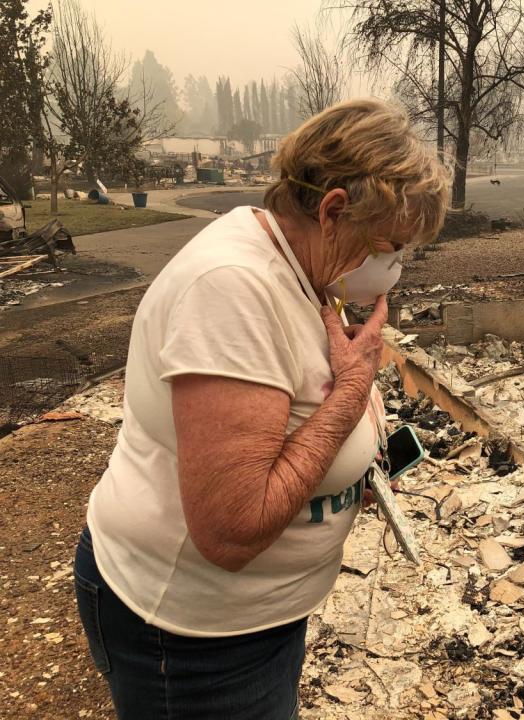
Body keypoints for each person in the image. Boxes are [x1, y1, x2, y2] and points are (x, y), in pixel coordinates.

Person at [73, 98, 450, 719]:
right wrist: (352, 395)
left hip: (253, 622)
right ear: (332, 210)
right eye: (391, 246)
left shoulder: (297, 262)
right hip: (195, 641)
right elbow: (231, 528)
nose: (395, 267)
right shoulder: (230, 289)